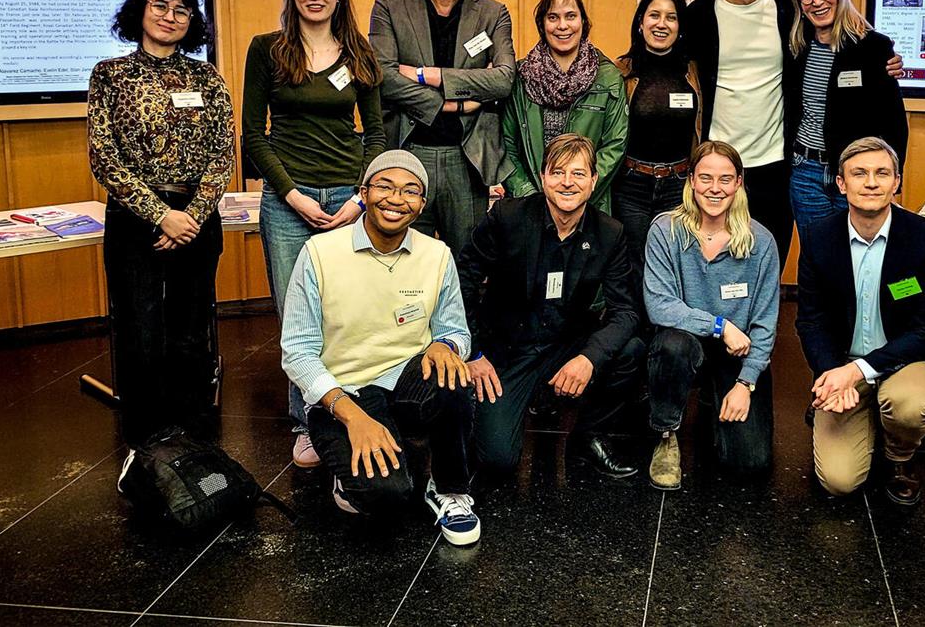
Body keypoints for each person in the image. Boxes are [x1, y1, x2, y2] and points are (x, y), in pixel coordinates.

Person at [280, 150, 480, 545]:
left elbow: (456, 329)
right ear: (363, 192)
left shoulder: (436, 254)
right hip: (342, 396)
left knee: (455, 377)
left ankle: (450, 490)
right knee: (386, 496)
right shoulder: (320, 253)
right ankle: (347, 472)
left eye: (410, 191)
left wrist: (445, 344)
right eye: (384, 186)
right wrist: (353, 418)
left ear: (422, 205)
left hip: (406, 384)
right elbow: (297, 352)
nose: (395, 199)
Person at [687, 0, 902, 270]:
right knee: (715, 260)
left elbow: (842, 32)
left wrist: (885, 60)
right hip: (720, 162)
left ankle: (764, 327)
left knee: (772, 258)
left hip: (777, 164)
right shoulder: (699, 15)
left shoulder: (788, 11)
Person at [243, 0, 386, 470]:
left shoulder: (359, 53)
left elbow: (375, 136)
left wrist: (358, 198)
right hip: (288, 202)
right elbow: (253, 138)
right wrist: (292, 195)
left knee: (345, 313)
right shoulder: (267, 50)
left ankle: (352, 413)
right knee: (296, 316)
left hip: (349, 198)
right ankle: (306, 424)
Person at [88, 0, 235, 449]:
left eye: (181, 10)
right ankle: (145, 440)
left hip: (196, 215)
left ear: (191, 22)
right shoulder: (110, 74)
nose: (169, 17)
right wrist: (160, 215)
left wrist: (188, 215)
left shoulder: (205, 77)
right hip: (135, 219)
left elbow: (222, 154)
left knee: (191, 330)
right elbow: (103, 158)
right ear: (140, 10)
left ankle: (193, 436)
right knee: (140, 329)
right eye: (160, 6)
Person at [457, 133, 643, 478]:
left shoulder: (609, 233)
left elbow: (626, 312)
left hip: (565, 344)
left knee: (630, 350)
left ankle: (587, 439)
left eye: (578, 173)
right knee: (498, 461)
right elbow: (461, 283)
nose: (568, 183)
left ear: (593, 180)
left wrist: (588, 359)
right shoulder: (508, 218)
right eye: (557, 172)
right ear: (543, 178)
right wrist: (474, 353)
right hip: (507, 352)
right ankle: (482, 409)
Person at [796, 137, 925, 506]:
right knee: (839, 482)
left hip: (907, 361)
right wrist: (832, 372)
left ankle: (899, 457)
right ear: (840, 183)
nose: (871, 182)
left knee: (907, 405)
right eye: (859, 174)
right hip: (843, 363)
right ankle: (858, 414)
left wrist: (857, 372)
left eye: (882, 173)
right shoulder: (819, 239)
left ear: (896, 182)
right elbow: (811, 321)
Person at [371, 0, 516, 255]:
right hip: (406, 155)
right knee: (401, 262)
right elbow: (383, 77)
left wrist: (427, 75)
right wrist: (450, 104)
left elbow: (504, 79)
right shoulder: (389, 6)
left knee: (466, 265)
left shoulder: (493, 13)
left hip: (466, 161)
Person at [643, 141, 780, 489]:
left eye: (725, 179)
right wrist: (719, 325)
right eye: (705, 178)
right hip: (686, 343)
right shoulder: (665, 231)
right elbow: (660, 305)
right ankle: (666, 435)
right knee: (673, 345)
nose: (714, 188)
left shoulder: (761, 242)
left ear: (738, 183)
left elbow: (765, 323)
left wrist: (746, 383)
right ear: (690, 181)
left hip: (738, 353)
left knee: (750, 463)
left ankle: (714, 395)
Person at [788, 0, 908, 240]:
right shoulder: (796, 45)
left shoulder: (873, 47)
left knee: (860, 254)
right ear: (800, 4)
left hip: (857, 174)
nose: (817, 2)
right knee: (817, 256)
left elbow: (894, 120)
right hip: (806, 173)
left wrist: (890, 176)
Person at [501, 0, 628, 213]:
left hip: (590, 207)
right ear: (542, 24)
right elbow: (507, 144)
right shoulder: (521, 76)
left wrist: (576, 194)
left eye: (571, 16)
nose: (562, 26)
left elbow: (615, 145)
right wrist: (529, 196)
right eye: (553, 17)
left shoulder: (607, 77)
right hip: (530, 206)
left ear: (583, 22)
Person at [613, 0, 702, 289]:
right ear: (640, 22)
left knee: (674, 263)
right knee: (634, 265)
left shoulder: (693, 72)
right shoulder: (620, 71)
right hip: (632, 186)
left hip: (679, 186)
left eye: (671, 17)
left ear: (680, 27)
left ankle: (669, 333)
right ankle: (636, 331)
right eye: (654, 15)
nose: (661, 24)